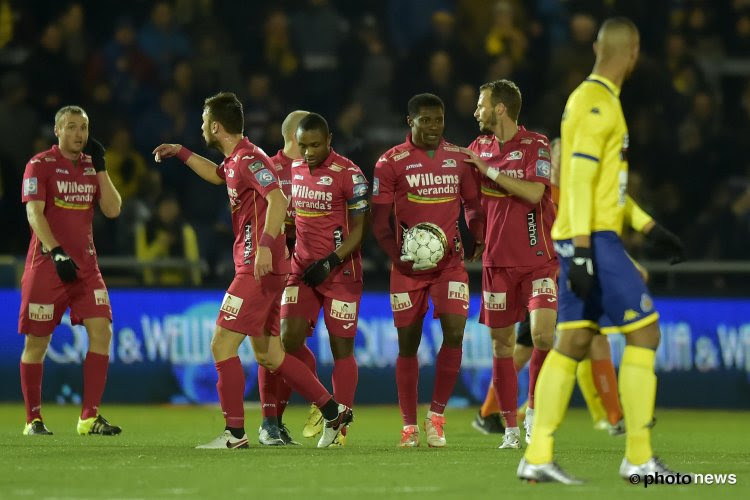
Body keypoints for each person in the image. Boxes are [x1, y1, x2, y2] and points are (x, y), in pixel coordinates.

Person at [518, 18, 686, 484]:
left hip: (583, 236)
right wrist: (588, 251)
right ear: (632, 52)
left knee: (571, 342)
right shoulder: (596, 103)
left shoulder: (595, 100)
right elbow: (580, 181)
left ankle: (538, 454)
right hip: (592, 238)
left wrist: (650, 228)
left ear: (597, 46)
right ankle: (638, 457)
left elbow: (605, 186)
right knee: (646, 334)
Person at [153, 93, 352, 449]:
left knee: (221, 344)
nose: (200, 126)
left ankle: (234, 433)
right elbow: (216, 175)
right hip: (267, 267)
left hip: (257, 268)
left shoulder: (249, 159)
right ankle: (334, 410)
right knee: (270, 355)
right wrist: (181, 152)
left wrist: (264, 244)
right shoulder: (234, 162)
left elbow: (278, 198)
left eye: (203, 121)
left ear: (215, 126)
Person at [372, 93, 485, 447]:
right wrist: (399, 257)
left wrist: (476, 236)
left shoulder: (458, 158)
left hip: (450, 265)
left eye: (439, 120)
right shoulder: (390, 162)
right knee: (409, 344)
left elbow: (472, 203)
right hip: (408, 268)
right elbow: (379, 224)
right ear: (411, 121)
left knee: (454, 333)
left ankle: (436, 417)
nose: (434, 127)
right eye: (426, 120)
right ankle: (408, 426)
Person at [463, 79, 558, 449]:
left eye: (481, 105)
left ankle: (534, 413)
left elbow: (535, 192)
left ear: (500, 108)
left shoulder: (537, 145)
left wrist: (487, 170)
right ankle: (510, 430)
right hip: (496, 265)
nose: (476, 111)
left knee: (542, 337)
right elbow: (465, 196)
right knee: (502, 347)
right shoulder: (477, 148)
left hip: (538, 260)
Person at [19, 105, 123, 436]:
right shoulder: (40, 164)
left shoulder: (93, 167)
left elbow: (112, 209)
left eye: (84, 128)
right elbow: (34, 214)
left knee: (102, 331)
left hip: (86, 268)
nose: (79, 134)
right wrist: (57, 252)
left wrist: (103, 168)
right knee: (37, 344)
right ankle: (33, 419)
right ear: (58, 131)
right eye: (72, 127)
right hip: (47, 266)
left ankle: (89, 417)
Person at [279, 112, 369, 447]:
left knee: (341, 348)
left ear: (329, 140)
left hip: (341, 271)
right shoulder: (296, 169)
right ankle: (325, 404)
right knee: (287, 340)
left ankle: (338, 430)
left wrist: (331, 260)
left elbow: (360, 231)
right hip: (302, 270)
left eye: (315, 145)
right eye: (303, 146)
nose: (308, 152)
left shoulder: (350, 174)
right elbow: (294, 218)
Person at [256, 109, 310, 446]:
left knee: (290, 345)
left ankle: (278, 420)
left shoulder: (317, 170)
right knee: (270, 342)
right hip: (275, 268)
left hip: (306, 271)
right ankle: (267, 421)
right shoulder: (269, 169)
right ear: (294, 136)